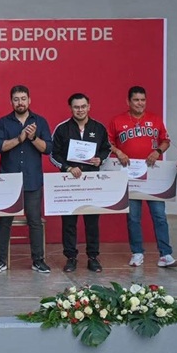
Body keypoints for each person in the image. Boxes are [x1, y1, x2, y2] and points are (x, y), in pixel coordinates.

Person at [108, 86, 177, 269]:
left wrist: (158, 151)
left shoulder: (155, 119)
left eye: (143, 100)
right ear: (128, 101)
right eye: (136, 100)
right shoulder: (117, 120)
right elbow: (108, 142)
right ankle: (137, 252)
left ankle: (165, 254)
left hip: (153, 173)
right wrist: (118, 152)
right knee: (133, 217)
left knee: (159, 215)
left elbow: (166, 140)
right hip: (130, 174)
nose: (140, 103)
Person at [0, 85, 53, 274]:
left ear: (29, 100)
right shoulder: (3, 122)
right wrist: (20, 138)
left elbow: (48, 149)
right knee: (4, 222)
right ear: (11, 102)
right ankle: (0, 260)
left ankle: (38, 260)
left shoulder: (40, 121)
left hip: (32, 180)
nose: (20, 102)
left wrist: (32, 138)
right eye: (16, 99)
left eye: (23, 98)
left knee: (34, 221)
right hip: (9, 180)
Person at [50, 93, 111, 273]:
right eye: (76, 107)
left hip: (91, 181)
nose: (80, 110)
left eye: (83, 106)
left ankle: (93, 257)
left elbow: (107, 149)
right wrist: (67, 167)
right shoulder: (62, 129)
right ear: (71, 108)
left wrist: (100, 159)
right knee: (69, 222)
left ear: (89, 106)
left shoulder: (99, 128)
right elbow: (53, 154)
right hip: (69, 181)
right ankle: (71, 258)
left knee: (92, 221)